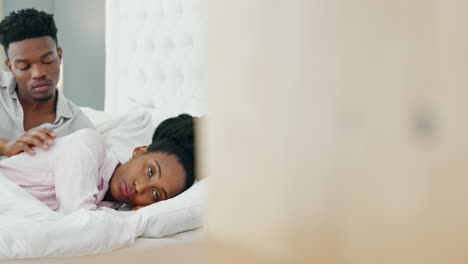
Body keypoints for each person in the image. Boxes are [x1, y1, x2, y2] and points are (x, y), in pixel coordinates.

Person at [0, 114, 196, 214]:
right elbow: (78, 220)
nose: (141, 187)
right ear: (139, 151)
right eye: (150, 171)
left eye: (155, 195)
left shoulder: (114, 206)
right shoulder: (89, 144)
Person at [0, 8, 95, 158]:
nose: (38, 74)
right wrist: (4, 146)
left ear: (59, 56)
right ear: (10, 67)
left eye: (47, 61)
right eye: (24, 66)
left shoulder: (78, 127)